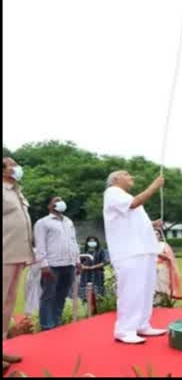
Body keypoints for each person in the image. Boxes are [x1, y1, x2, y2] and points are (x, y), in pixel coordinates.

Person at [103, 170, 166, 344]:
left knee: (145, 289)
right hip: (128, 251)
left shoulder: (124, 195)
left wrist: (152, 224)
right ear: (116, 179)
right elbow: (134, 204)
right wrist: (154, 186)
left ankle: (141, 324)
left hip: (143, 249)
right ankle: (124, 330)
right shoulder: (113, 193)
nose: (132, 177)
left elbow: (132, 218)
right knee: (131, 290)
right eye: (127, 175)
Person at [2, 157, 34, 370]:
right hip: (4, 254)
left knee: (8, 305)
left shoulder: (16, 192)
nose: (16, 167)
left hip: (17, 254)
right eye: (11, 164)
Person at [33, 196, 81, 330]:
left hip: (69, 264)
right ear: (49, 206)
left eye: (61, 200)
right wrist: (43, 265)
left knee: (61, 295)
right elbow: (40, 245)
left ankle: (57, 323)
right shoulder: (43, 223)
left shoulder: (68, 221)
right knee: (48, 296)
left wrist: (77, 261)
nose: (60, 202)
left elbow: (74, 241)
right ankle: (47, 326)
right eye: (56, 201)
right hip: (52, 265)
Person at [154, 229, 181, 304]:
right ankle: (155, 304)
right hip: (150, 269)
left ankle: (165, 302)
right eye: (153, 233)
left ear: (160, 235)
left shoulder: (164, 245)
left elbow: (170, 257)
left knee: (163, 285)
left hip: (162, 268)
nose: (155, 235)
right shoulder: (147, 245)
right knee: (153, 287)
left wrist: (161, 255)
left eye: (157, 234)